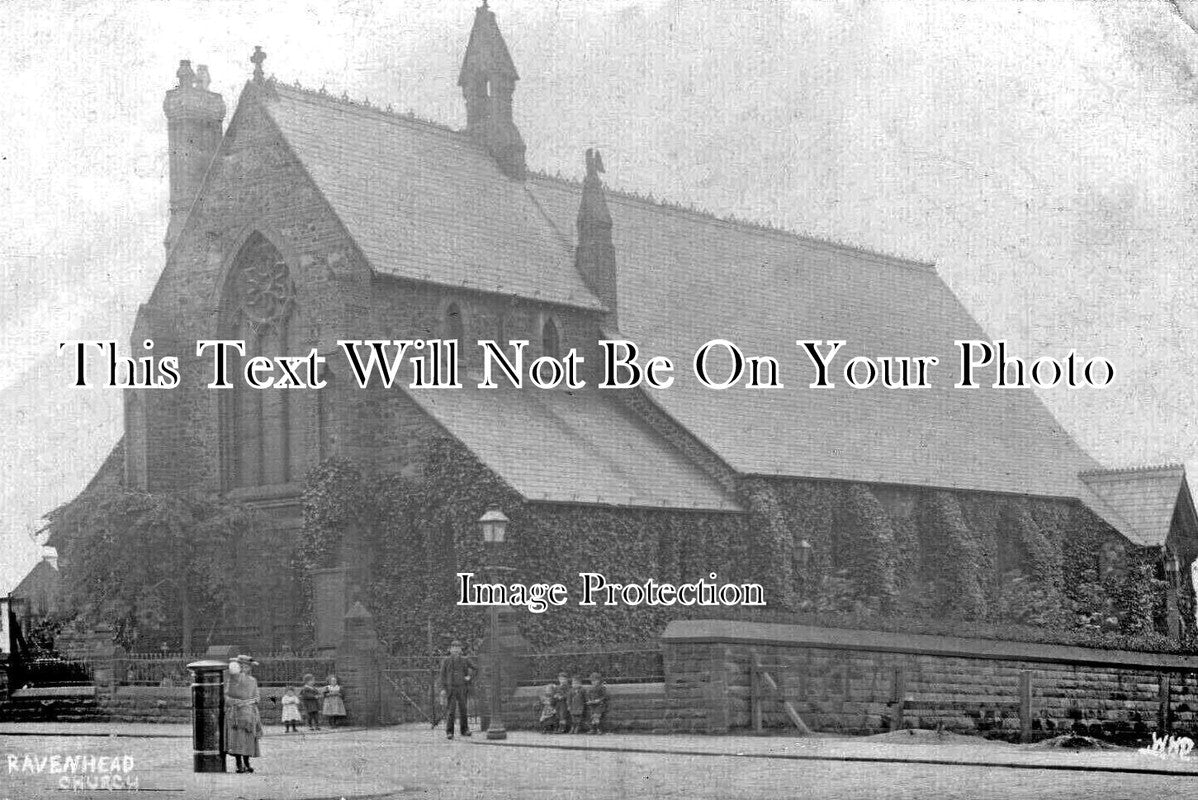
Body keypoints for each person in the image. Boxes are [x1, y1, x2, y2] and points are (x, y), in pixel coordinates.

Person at [224, 655, 263, 772]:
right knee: (237, 738)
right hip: (236, 713)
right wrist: (235, 702)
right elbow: (226, 695)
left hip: (249, 713)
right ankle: (238, 764)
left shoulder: (253, 680)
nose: (245, 668)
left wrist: (251, 702)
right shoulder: (231, 679)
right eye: (243, 666)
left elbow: (257, 696)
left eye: (247, 666)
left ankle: (247, 763)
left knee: (248, 738)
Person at [437, 639, 477, 740]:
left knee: (463, 709)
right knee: (451, 710)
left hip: (462, 688)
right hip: (451, 688)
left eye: (457, 648)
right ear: (450, 650)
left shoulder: (465, 659)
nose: (455, 650)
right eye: (453, 648)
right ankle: (449, 732)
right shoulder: (446, 661)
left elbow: (475, 668)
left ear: (460, 650)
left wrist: (469, 676)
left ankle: (465, 730)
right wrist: (443, 689)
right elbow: (442, 675)